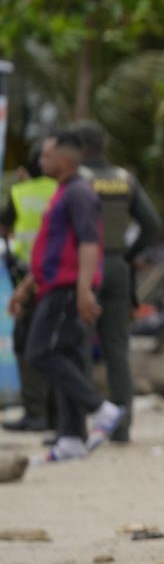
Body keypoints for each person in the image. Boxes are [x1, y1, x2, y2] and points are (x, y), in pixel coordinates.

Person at [7, 132, 125, 460]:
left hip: (67, 287)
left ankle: (101, 409)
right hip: (52, 284)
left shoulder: (80, 193)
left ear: (66, 158)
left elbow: (89, 242)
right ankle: (72, 436)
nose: (41, 161)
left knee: (41, 351)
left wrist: (85, 289)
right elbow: (50, 247)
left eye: (46, 155)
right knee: (68, 356)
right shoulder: (62, 193)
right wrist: (25, 287)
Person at [73, 121, 163, 443]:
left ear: (79, 148)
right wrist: (127, 254)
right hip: (116, 266)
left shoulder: (75, 180)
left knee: (78, 347)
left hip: (84, 268)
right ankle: (121, 427)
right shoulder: (125, 179)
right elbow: (151, 224)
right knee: (116, 349)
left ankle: (79, 427)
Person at [1, 148, 57, 432]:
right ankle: (53, 413)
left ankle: (36, 413)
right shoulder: (61, 188)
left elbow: (4, 223)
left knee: (28, 343)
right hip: (57, 274)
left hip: (29, 275)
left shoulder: (20, 193)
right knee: (53, 342)